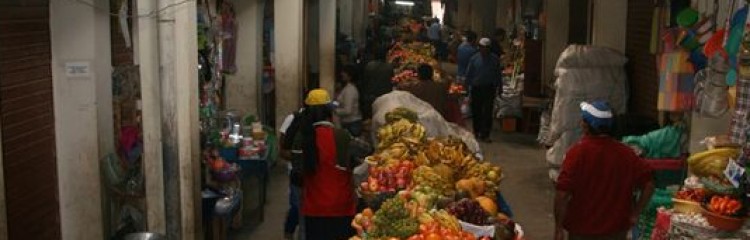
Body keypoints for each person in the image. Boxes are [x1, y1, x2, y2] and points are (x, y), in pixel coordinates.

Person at [554, 101, 655, 240]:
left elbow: (562, 194)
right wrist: (635, 213)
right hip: (616, 231)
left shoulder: (576, 153)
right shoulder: (626, 154)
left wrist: (558, 227)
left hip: (582, 231)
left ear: (586, 126)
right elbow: (649, 184)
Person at [291, 89, 357, 240]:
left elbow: (297, 173)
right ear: (329, 111)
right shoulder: (343, 136)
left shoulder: (302, 138)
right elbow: (364, 154)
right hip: (342, 206)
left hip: (315, 209)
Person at [465, 37, 502, 142]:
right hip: (476, 88)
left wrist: (500, 87)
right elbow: (469, 74)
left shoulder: (494, 59)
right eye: (482, 47)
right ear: (479, 48)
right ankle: (477, 131)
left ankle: (485, 134)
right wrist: (466, 87)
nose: (484, 50)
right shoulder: (474, 59)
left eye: (487, 48)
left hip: (489, 88)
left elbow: (498, 74)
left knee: (487, 111)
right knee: (476, 110)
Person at [361, 49, 395, 119]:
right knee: (383, 116)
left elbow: (365, 80)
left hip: (371, 95)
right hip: (385, 95)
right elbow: (392, 80)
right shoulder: (389, 67)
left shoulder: (369, 66)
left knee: (371, 116)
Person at [336, 66, 363, 137]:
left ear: (349, 76)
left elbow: (348, 111)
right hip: (349, 123)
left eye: (344, 72)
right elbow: (340, 102)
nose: (342, 74)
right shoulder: (347, 88)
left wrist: (335, 110)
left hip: (351, 124)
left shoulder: (350, 90)